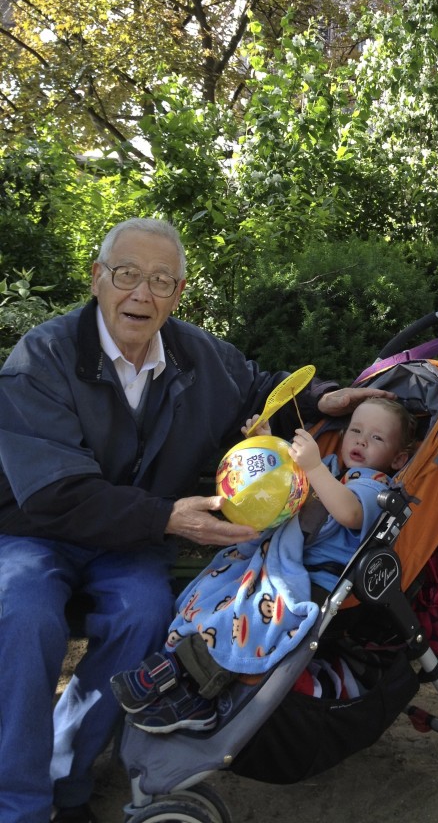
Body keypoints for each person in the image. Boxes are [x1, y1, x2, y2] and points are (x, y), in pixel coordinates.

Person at [0, 217, 393, 823]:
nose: (142, 294)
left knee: (144, 613)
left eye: (161, 280)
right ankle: (18, 805)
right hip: (35, 530)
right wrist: (166, 518)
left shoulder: (195, 353)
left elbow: (259, 388)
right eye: (127, 274)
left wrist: (325, 400)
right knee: (24, 615)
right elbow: (55, 495)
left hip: (130, 540)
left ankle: (68, 780)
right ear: (98, 278)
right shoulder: (43, 357)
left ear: (178, 292)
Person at [110, 396, 415, 733]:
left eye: (377, 438)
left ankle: (189, 691)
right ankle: (180, 671)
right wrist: (269, 443)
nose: (361, 440)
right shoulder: (327, 467)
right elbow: (286, 481)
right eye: (355, 430)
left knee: (246, 619)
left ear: (398, 458)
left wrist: (312, 467)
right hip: (274, 562)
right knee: (217, 592)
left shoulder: (375, 487)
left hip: (310, 581)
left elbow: (348, 512)